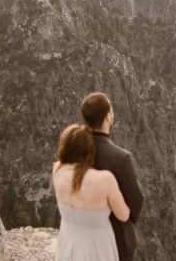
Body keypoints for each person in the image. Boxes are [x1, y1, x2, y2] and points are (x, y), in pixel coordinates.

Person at [80, 92, 145, 261]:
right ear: (108, 116)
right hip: (116, 238)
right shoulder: (121, 158)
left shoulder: (75, 152)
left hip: (83, 233)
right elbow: (136, 200)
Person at [53, 124, 130, 261]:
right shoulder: (104, 179)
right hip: (98, 248)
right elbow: (123, 215)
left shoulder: (57, 170)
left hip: (67, 243)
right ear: (89, 150)